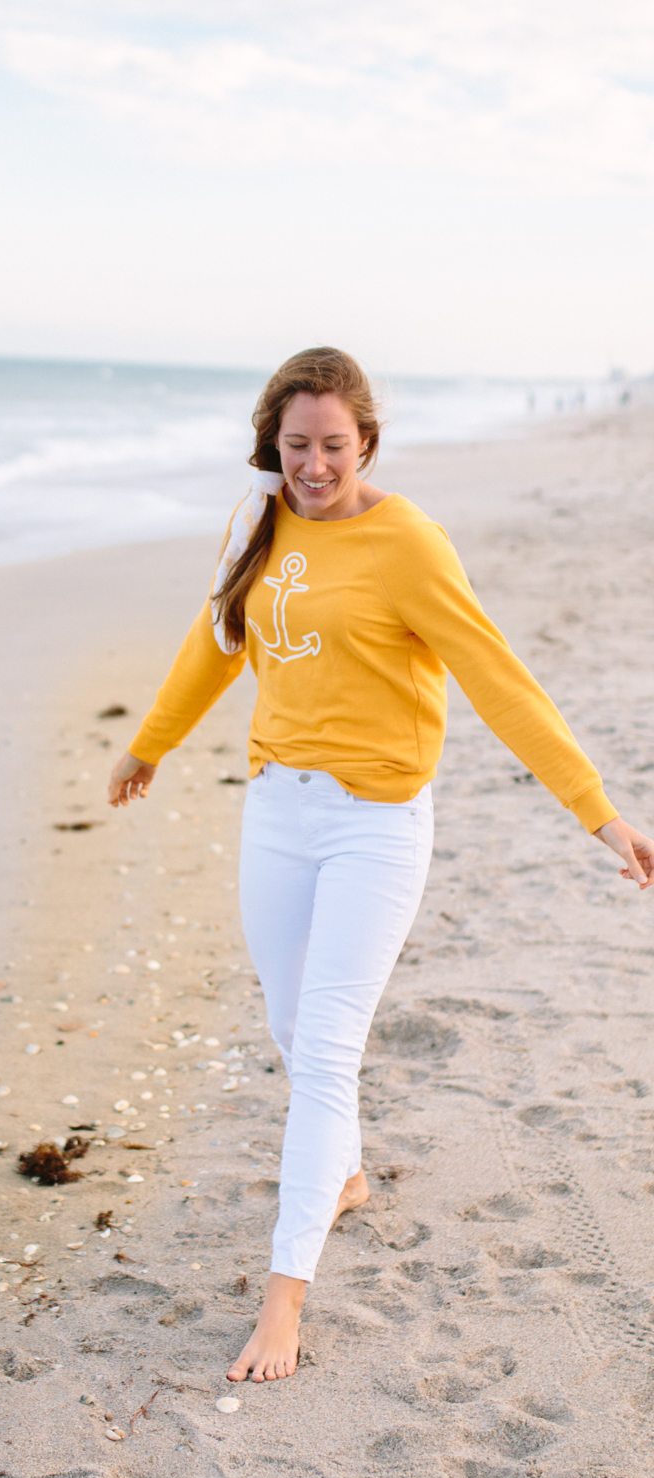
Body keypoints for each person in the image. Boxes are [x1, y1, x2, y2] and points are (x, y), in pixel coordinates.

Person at [106, 347, 653, 1385]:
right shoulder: (254, 523)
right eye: (298, 444)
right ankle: (343, 1170)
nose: (315, 465)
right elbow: (217, 638)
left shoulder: (408, 543)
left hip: (375, 824)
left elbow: (497, 678)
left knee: (322, 1055)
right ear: (273, 441)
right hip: (274, 812)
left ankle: (283, 1305)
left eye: (335, 446)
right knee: (286, 1025)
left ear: (366, 443)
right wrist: (152, 743)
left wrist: (599, 812)